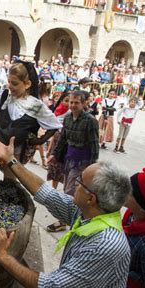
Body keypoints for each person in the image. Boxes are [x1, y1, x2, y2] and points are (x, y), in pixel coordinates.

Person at [0, 135, 131, 288]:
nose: (74, 184)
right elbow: (46, 193)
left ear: (91, 198)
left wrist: (3, 256)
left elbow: (50, 287)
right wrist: (11, 160)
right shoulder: (92, 212)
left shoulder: (105, 246)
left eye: (80, 182)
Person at [0, 61, 61, 186]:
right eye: (9, 82)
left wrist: (40, 140)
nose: (10, 86)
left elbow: (55, 125)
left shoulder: (36, 105)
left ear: (27, 84)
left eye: (15, 83)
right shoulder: (5, 95)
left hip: (16, 149)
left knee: (9, 185)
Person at [47, 90, 100, 232]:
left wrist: (93, 165)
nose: (73, 105)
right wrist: (55, 155)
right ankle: (71, 219)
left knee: (70, 192)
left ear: (83, 104)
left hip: (83, 163)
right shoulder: (68, 119)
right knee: (68, 190)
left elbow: (94, 145)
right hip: (69, 160)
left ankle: (64, 220)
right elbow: (63, 139)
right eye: (71, 102)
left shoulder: (90, 121)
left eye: (76, 102)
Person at [46, 91, 70, 191]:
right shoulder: (59, 110)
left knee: (65, 168)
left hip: (66, 143)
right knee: (55, 167)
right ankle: (54, 190)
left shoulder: (71, 113)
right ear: (61, 100)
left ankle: (65, 191)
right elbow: (54, 129)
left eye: (71, 101)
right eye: (66, 101)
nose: (69, 104)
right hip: (57, 140)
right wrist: (50, 149)